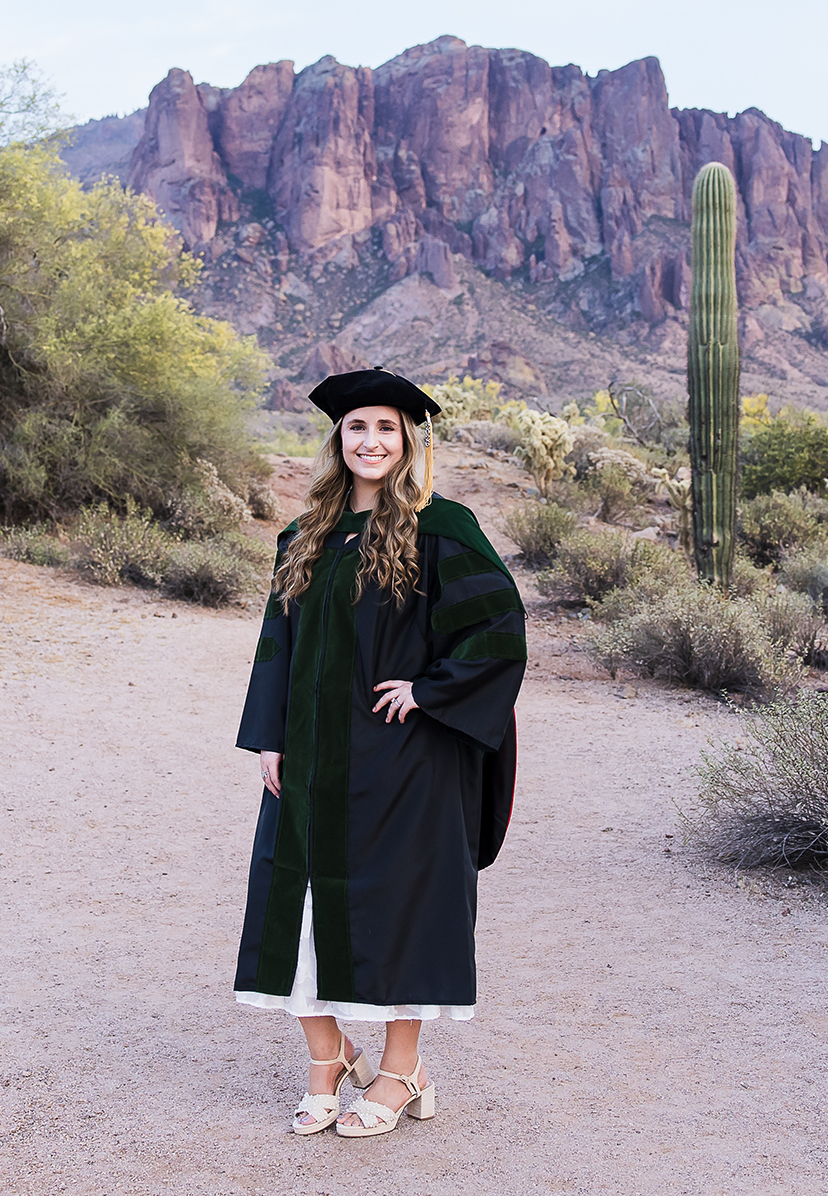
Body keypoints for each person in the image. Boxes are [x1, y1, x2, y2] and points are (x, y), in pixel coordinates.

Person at [232, 367, 525, 1137]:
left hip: (405, 760)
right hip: (312, 756)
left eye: (386, 429)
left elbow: (498, 631)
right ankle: (327, 1060)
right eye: (357, 428)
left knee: (401, 908)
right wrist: (268, 735)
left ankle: (401, 1073)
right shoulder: (304, 536)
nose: (370, 441)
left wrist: (430, 691)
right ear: (339, 439)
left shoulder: (442, 526)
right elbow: (276, 643)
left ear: (407, 441)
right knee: (292, 908)